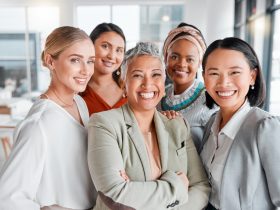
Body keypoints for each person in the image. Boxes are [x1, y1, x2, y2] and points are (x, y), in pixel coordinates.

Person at [88, 42, 210, 210]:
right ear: (124, 83)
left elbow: (201, 186)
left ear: (163, 83)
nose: (147, 84)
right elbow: (114, 193)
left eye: (156, 75)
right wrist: (178, 186)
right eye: (138, 75)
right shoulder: (104, 124)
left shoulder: (177, 125)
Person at [0, 26, 96, 210]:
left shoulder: (79, 103)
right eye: (75, 60)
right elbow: (6, 199)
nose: (86, 70)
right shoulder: (38, 124)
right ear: (50, 61)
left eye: (90, 61)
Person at [200, 37, 280, 210]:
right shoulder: (212, 123)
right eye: (214, 73)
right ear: (204, 77)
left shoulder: (266, 127)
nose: (223, 83)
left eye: (234, 72)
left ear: (252, 76)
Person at [158, 22, 218, 150]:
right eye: (174, 56)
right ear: (165, 58)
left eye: (190, 59)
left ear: (199, 63)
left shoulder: (210, 100)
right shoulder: (159, 96)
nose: (181, 64)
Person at [80, 22, 127, 115]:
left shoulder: (130, 90)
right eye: (105, 46)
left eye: (119, 50)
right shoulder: (77, 91)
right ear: (90, 46)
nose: (112, 56)